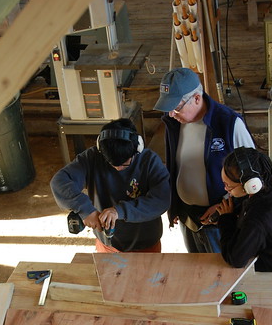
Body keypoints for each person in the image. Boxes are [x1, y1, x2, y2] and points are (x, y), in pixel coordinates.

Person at [154, 67, 255, 253]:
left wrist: (224, 205)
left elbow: (253, 175)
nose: (171, 114)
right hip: (188, 218)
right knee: (196, 271)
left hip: (219, 219)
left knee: (221, 273)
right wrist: (175, 205)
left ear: (197, 99)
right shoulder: (174, 124)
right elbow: (177, 167)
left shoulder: (229, 123)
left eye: (176, 107)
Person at [50, 118, 171, 253]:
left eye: (125, 164)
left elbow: (161, 199)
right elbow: (60, 181)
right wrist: (85, 209)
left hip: (146, 243)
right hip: (107, 244)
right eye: (112, 164)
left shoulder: (149, 161)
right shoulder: (92, 157)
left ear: (137, 148)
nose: (118, 168)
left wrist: (119, 211)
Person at [216, 146, 272, 272]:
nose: (225, 189)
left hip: (269, 273)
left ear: (251, 185)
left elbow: (235, 259)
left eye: (229, 186)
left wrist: (226, 219)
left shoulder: (256, 222)